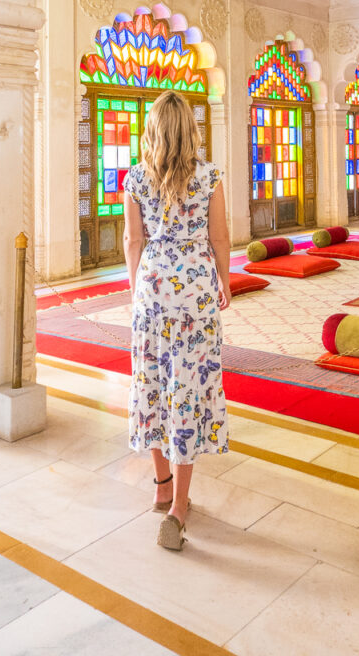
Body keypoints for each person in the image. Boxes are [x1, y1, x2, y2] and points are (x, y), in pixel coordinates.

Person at [123, 91, 231, 551]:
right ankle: (180, 506)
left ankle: (161, 484)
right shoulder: (209, 177)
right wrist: (223, 280)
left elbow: (133, 240)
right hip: (195, 296)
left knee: (151, 384)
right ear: (190, 129)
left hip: (152, 292)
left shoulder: (135, 179)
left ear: (153, 131)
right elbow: (220, 237)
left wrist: (136, 291)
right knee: (186, 390)